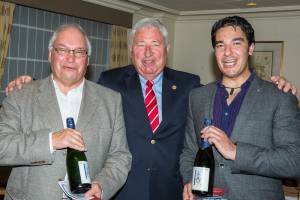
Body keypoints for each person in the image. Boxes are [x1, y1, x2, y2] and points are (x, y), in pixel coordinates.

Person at [4, 18, 297, 200]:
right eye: (140, 45)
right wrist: (27, 83)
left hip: (170, 192)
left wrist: (279, 86)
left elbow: (189, 146)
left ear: (166, 50)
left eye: (154, 44)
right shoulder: (110, 83)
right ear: (131, 50)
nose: (147, 53)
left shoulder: (191, 87)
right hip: (123, 193)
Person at [0, 24, 132, 200]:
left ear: (87, 60)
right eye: (62, 50)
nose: (71, 58)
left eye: (79, 52)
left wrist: (102, 186)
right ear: (50, 55)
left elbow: (120, 156)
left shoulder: (111, 101)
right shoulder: (21, 95)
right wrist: (51, 141)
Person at [180, 15, 300, 200]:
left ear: (251, 48)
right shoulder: (197, 97)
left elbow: (294, 161)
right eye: (220, 45)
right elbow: (190, 151)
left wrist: (236, 152)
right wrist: (190, 179)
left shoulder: (279, 96)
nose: (227, 52)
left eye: (236, 43)